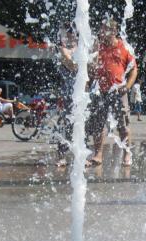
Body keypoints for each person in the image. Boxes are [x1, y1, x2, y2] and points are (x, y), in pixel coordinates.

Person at [87, 18, 138, 167]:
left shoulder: (123, 47)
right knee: (98, 124)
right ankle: (98, 154)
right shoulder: (100, 47)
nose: (102, 33)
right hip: (101, 91)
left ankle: (127, 152)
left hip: (119, 91)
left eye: (105, 30)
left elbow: (134, 69)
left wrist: (127, 86)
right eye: (102, 30)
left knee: (123, 125)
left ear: (114, 31)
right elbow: (91, 68)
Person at [55, 23, 78, 167]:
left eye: (73, 34)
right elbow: (71, 63)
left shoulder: (81, 48)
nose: (70, 37)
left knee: (82, 124)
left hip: (81, 94)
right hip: (68, 94)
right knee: (67, 123)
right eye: (69, 34)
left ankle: (80, 155)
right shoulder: (63, 48)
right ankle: (62, 155)